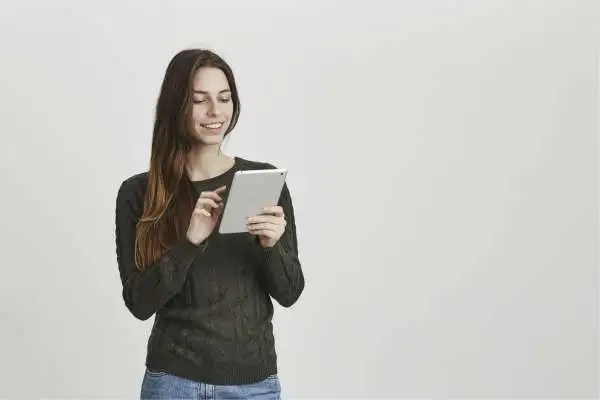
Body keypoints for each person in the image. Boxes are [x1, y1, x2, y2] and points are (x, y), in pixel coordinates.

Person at [114, 48, 305, 399]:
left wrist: (271, 247)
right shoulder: (139, 193)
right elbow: (139, 303)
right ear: (177, 106)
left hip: (254, 386)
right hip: (173, 383)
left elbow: (290, 292)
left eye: (224, 98)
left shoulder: (262, 182)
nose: (216, 111)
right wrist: (189, 243)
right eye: (200, 100)